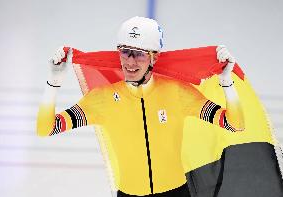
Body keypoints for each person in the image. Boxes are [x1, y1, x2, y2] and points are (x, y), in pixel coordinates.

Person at [37, 16, 244, 197]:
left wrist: (227, 82)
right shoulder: (102, 99)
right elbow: (47, 128)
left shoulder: (177, 92)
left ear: (154, 57)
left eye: (139, 54)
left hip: (176, 193)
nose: (130, 62)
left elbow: (234, 124)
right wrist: (54, 81)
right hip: (128, 194)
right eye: (125, 52)